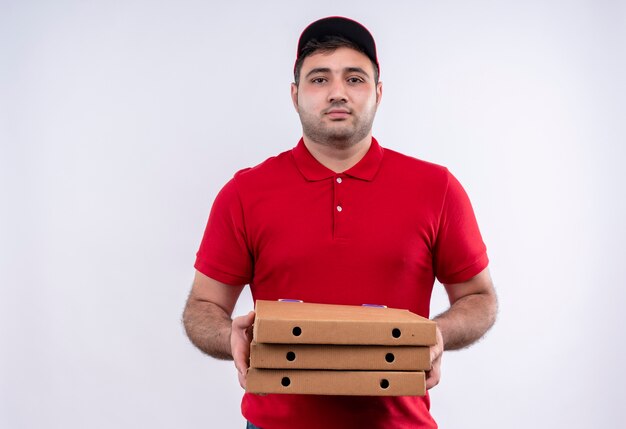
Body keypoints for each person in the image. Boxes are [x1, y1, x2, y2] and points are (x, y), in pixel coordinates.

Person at [183, 16, 497, 429]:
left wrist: (434, 336)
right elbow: (202, 307)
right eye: (319, 79)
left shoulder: (436, 188)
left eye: (354, 78)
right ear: (295, 95)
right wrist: (230, 337)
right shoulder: (245, 192)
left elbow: (479, 298)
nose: (337, 93)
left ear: (378, 93)